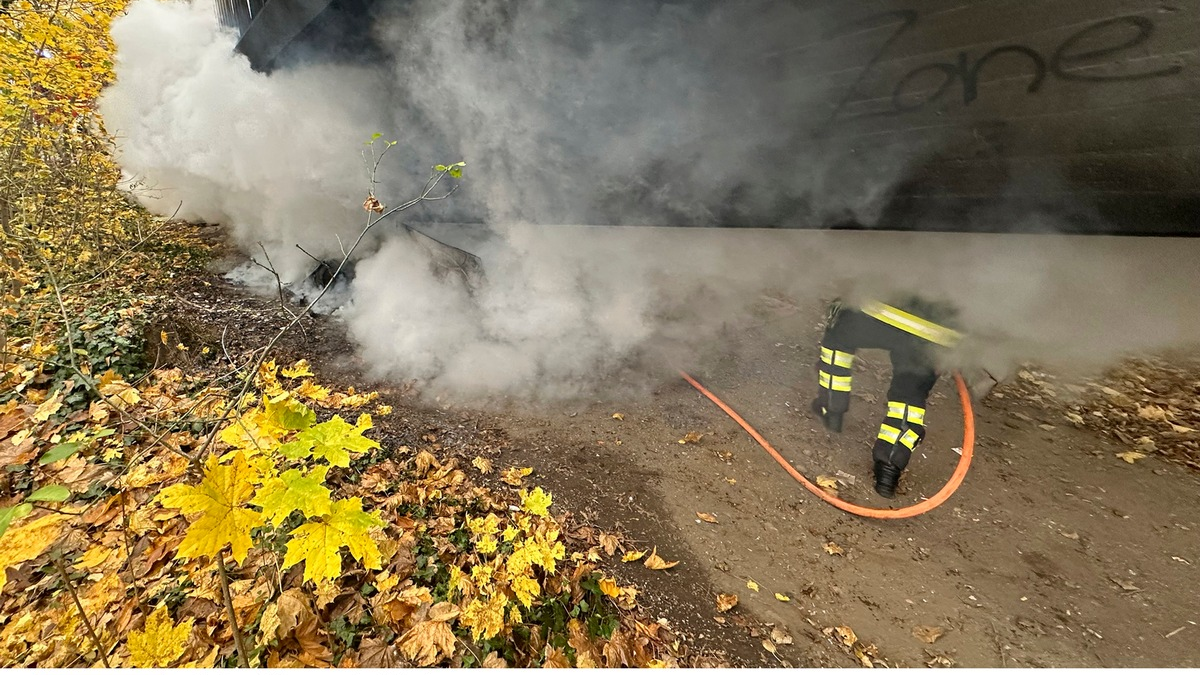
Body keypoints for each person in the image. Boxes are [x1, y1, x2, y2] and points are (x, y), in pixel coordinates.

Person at [811, 296, 967, 498]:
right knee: (911, 393)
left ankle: (831, 407)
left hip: (883, 311)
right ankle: (889, 469)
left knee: (838, 332)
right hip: (936, 334)